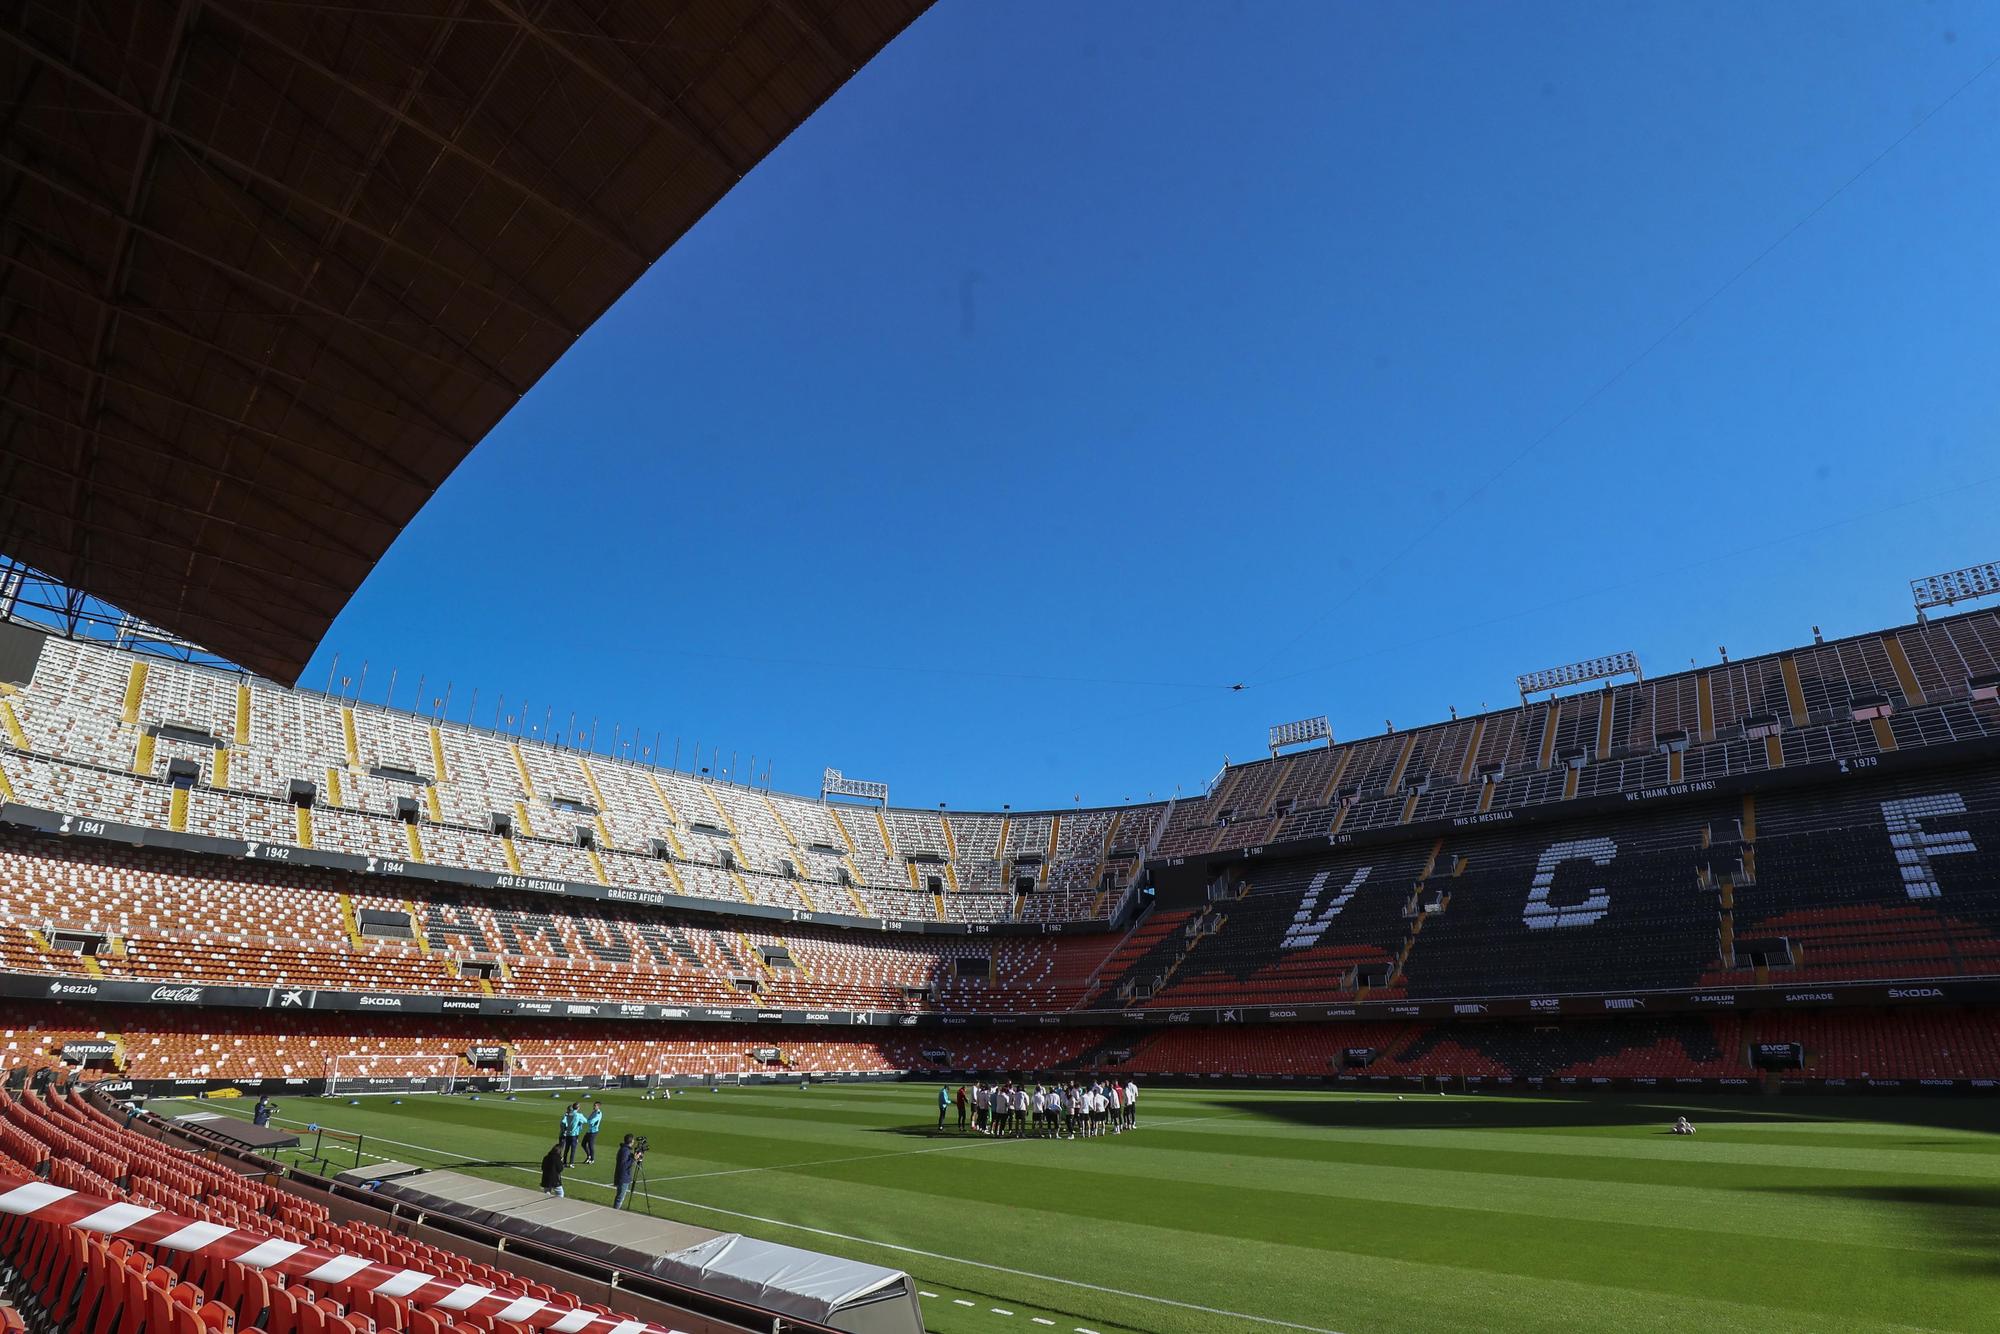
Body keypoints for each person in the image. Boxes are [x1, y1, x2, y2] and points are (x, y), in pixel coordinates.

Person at [613, 1133, 641, 1209]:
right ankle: (614, 1213)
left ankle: (615, 1211)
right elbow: (624, 1165)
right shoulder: (625, 1151)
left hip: (623, 1176)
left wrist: (634, 1157)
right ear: (631, 1141)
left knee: (619, 1197)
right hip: (623, 1177)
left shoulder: (625, 1150)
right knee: (620, 1198)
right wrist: (634, 1159)